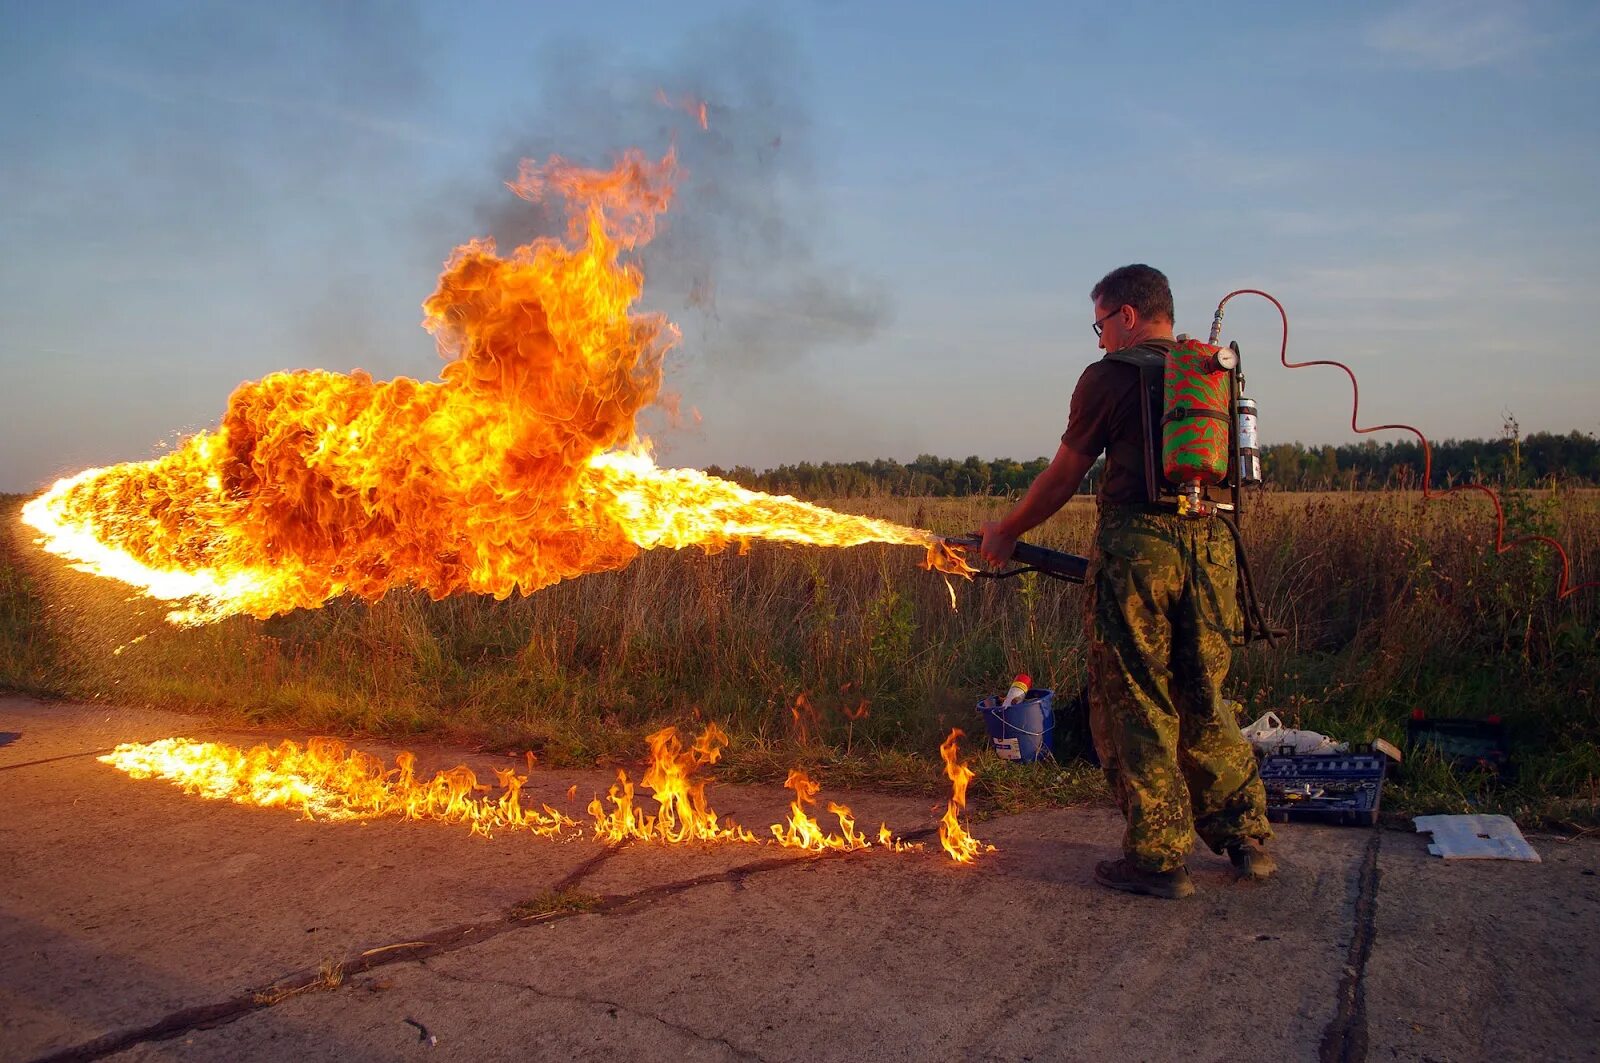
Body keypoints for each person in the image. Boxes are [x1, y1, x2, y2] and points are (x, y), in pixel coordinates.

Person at [979, 264, 1274, 900]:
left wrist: (1005, 530)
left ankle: (1159, 858)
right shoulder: (1213, 373)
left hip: (1140, 551)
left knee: (1138, 697)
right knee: (1204, 690)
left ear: (1129, 317)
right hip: (1216, 549)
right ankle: (1244, 834)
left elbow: (1064, 476)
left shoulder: (1109, 377)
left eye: (1101, 323)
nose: (1099, 338)